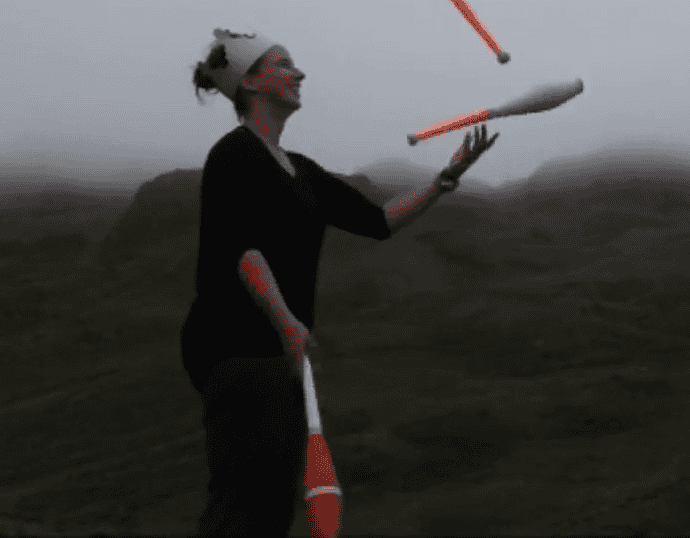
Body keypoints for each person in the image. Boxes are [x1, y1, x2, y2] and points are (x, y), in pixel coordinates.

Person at [181, 28, 497, 538]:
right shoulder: (234, 155)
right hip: (237, 349)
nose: (299, 73)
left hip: (277, 354)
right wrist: (287, 323)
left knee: (270, 507)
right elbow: (243, 248)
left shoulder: (301, 171)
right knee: (242, 503)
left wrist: (444, 180)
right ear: (253, 82)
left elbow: (378, 220)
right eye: (284, 64)